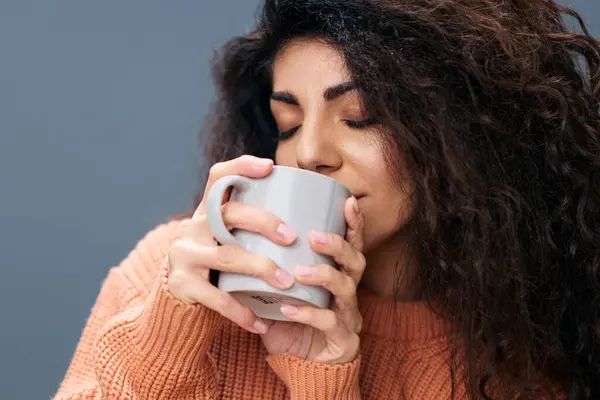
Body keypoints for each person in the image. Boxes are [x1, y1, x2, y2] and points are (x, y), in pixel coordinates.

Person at [54, 0, 600, 399]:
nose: (309, 151)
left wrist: (323, 379)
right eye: (288, 123)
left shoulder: (529, 356)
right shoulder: (172, 274)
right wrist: (166, 339)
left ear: (462, 131)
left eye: (360, 116)